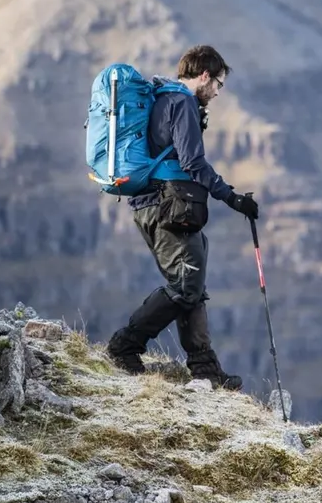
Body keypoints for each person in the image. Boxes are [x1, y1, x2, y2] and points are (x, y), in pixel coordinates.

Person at [105, 45, 259, 389]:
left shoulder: (165, 98)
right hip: (167, 208)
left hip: (160, 206)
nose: (218, 92)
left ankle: (205, 370)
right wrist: (232, 197)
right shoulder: (182, 103)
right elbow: (192, 163)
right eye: (218, 83)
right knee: (186, 286)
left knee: (192, 285)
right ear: (204, 75)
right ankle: (124, 346)